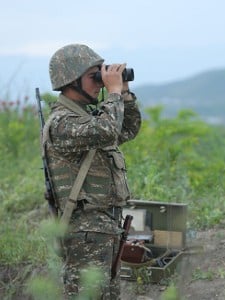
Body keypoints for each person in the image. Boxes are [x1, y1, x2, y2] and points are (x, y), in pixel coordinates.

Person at [42, 43, 141, 299]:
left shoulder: (86, 118)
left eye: (102, 74)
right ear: (71, 80)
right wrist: (114, 92)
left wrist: (125, 92)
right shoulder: (63, 123)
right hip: (85, 231)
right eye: (94, 76)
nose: (101, 81)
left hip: (103, 227)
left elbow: (126, 130)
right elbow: (107, 130)